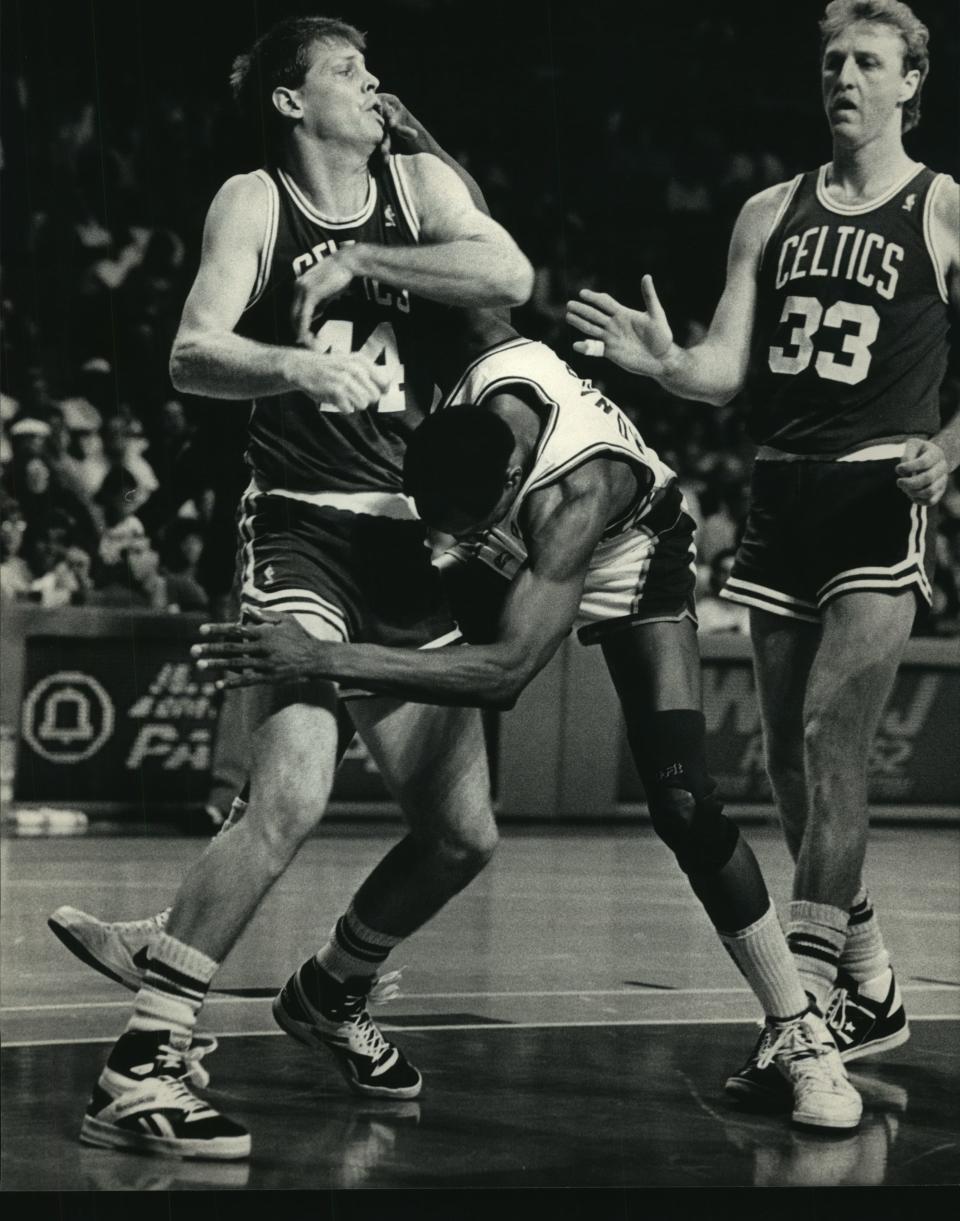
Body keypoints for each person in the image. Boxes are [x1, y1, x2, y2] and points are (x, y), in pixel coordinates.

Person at [194, 324, 863, 1134]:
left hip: (634, 547)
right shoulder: (474, 392)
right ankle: (318, 977)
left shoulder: (578, 496)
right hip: (516, 535)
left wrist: (324, 654)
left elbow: (507, 673)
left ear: (511, 478)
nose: (446, 538)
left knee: (684, 800)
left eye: (458, 525)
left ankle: (799, 1031)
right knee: (387, 697)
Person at [72, 14, 532, 1162]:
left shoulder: (413, 183)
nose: (373, 85)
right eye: (346, 70)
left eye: (373, 69)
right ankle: (143, 1058)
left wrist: (371, 261)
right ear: (291, 100)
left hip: (406, 538)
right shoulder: (255, 200)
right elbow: (191, 350)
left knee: (465, 834)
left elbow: (513, 273)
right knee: (291, 791)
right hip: (300, 531)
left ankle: (331, 988)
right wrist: (296, 362)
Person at [565, 0, 959, 1108]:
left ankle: (814, 1018)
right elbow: (721, 373)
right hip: (781, 491)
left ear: (910, 85)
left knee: (836, 738)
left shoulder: (943, 209)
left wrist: (947, 449)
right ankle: (872, 980)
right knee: (786, 764)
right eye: (832, 58)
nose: (843, 74)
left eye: (868, 62)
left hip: (882, 487)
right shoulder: (765, 211)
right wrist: (665, 360)